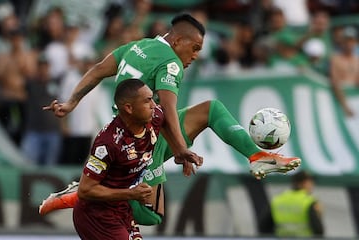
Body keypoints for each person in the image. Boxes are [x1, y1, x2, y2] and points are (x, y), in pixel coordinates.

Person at [40, 13, 301, 225]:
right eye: (195, 47)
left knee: (212, 109)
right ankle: (86, 194)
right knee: (152, 215)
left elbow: (97, 71)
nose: (196, 55)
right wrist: (181, 149)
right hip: (139, 140)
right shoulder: (171, 64)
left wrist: (71, 102)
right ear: (177, 41)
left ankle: (258, 157)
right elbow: (166, 107)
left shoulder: (137, 46)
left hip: (138, 129)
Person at [73, 78, 160, 240]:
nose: (154, 105)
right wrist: (131, 193)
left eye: (153, 99)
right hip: (96, 216)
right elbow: (85, 190)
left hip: (121, 209)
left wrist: (181, 151)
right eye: (147, 100)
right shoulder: (108, 143)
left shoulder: (155, 117)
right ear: (129, 108)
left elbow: (176, 120)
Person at [259, 170, 324, 237]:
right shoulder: (309, 201)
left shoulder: (277, 200)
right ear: (304, 183)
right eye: (310, 182)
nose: (312, 185)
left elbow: (263, 227)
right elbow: (318, 230)